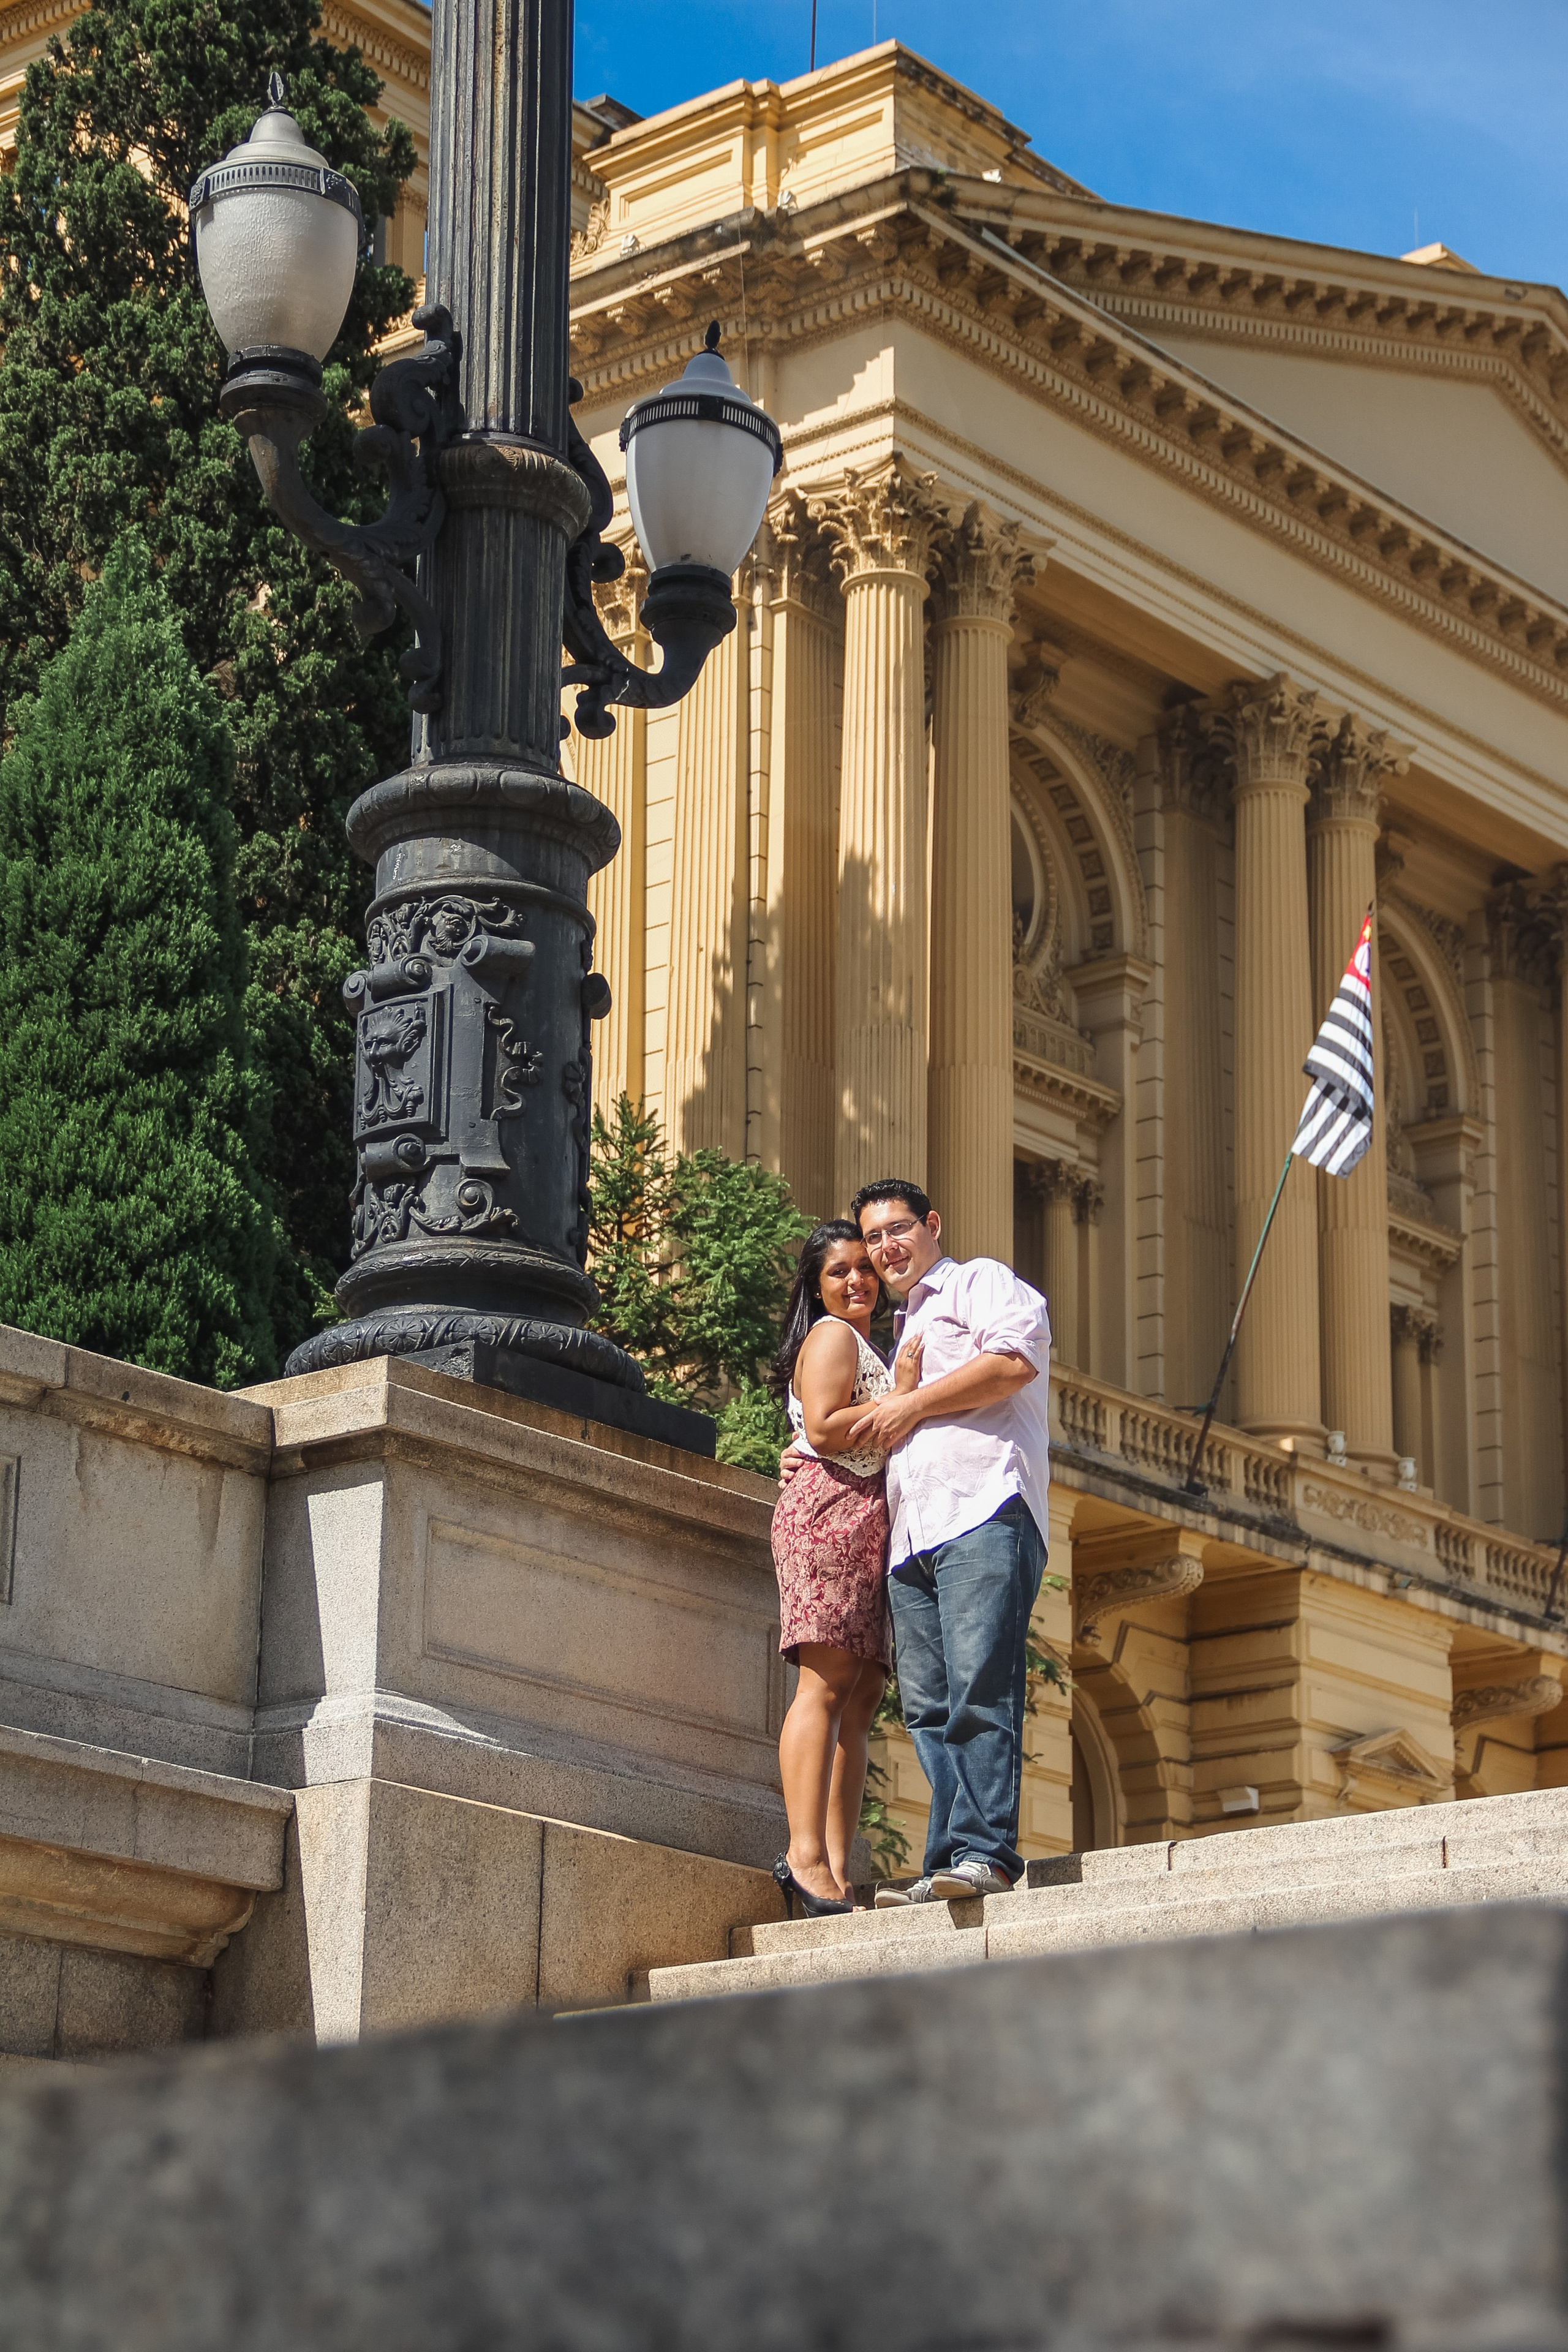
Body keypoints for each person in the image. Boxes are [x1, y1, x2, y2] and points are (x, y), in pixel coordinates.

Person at [839, 1178, 1052, 1906]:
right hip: (912, 1536)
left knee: (979, 1687)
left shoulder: (977, 1282)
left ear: (931, 1224)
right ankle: (946, 1861)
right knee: (929, 1709)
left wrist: (911, 1404)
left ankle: (986, 1854)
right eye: (872, 1238)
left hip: (984, 1508)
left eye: (897, 1229)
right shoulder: (899, 1333)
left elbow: (1013, 1362)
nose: (886, 1247)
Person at [767, 1219, 919, 1917]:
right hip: (830, 1513)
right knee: (825, 1687)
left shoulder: (862, 1343)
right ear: (816, 1285)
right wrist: (899, 1395)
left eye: (865, 1268)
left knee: (858, 1701)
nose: (857, 1280)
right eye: (839, 1271)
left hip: (865, 1520)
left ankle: (835, 1870)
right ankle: (804, 1859)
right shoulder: (832, 1336)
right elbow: (827, 1428)